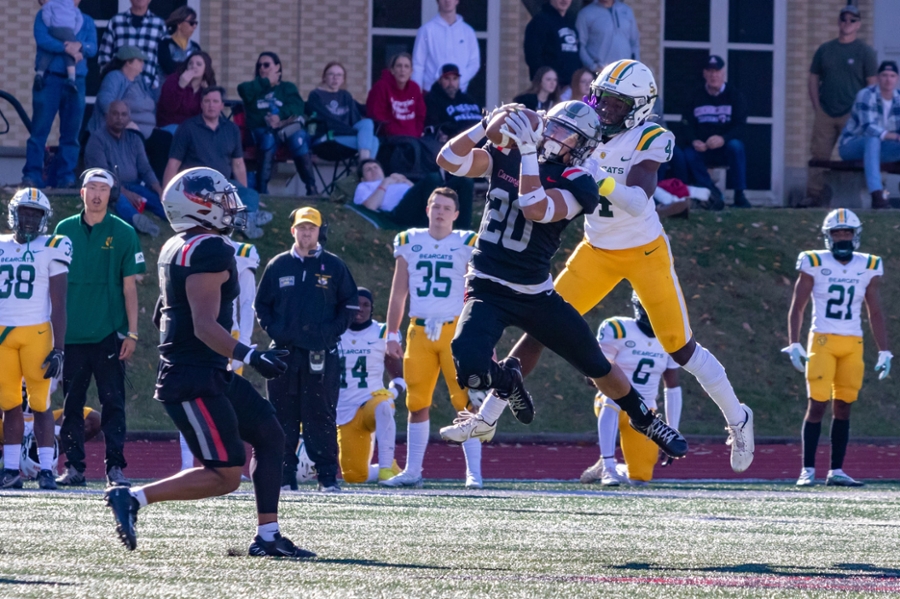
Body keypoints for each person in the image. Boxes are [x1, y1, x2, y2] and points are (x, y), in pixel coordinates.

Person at [486, 60, 753, 473]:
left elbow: (641, 198)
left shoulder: (652, 135)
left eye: (615, 102)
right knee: (540, 324)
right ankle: (488, 415)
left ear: (639, 106)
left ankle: (738, 417)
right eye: (601, 97)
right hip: (597, 248)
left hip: (645, 250)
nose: (604, 108)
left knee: (680, 349)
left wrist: (601, 178)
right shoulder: (583, 123)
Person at [435, 101, 687, 463]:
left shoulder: (579, 180)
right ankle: (508, 381)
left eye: (566, 135)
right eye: (553, 127)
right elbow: (449, 160)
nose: (554, 137)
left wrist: (525, 153)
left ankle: (645, 419)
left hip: (535, 295)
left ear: (583, 146)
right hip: (488, 286)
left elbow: (535, 206)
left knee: (596, 364)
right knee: (470, 367)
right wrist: (483, 125)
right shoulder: (509, 152)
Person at [104, 167, 313, 558]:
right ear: (196, 206)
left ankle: (268, 535)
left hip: (204, 370)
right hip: (192, 377)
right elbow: (202, 326)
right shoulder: (210, 249)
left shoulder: (176, 246)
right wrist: (252, 356)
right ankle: (132, 497)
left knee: (270, 434)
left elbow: (162, 314)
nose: (229, 206)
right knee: (225, 473)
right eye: (219, 199)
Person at [782, 209, 890, 488]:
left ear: (856, 235)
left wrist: (884, 350)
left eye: (847, 232)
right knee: (817, 404)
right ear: (827, 236)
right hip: (822, 341)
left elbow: (875, 311)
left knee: (844, 406)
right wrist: (794, 342)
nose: (842, 237)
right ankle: (807, 469)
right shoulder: (814, 261)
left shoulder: (869, 265)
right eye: (836, 232)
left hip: (853, 343)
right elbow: (798, 307)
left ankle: (836, 470)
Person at [380, 189, 480, 489]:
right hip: (419, 329)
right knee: (416, 402)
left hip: (455, 330)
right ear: (427, 209)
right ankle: (413, 470)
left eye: (446, 207)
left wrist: (480, 334)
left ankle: (473, 472)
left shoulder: (466, 242)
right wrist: (392, 333)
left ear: (456, 214)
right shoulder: (410, 241)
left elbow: (477, 292)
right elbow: (399, 292)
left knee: (466, 402)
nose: (440, 212)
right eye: (435, 206)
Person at [255, 207, 358, 493]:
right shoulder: (278, 265)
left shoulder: (334, 266)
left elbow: (350, 304)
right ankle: (285, 477)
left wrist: (330, 333)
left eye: (311, 228)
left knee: (320, 415)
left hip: (320, 355)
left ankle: (326, 477)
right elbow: (261, 305)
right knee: (282, 416)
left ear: (319, 231)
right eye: (301, 227)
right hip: (284, 355)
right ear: (293, 231)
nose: (306, 232)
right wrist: (276, 332)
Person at [54, 169, 145, 488]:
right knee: (71, 404)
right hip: (71, 333)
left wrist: (132, 333)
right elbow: (53, 285)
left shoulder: (123, 232)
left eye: (102, 188)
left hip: (109, 333)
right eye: (90, 188)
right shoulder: (63, 230)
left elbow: (130, 287)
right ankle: (74, 468)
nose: (96, 194)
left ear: (110, 194)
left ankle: (115, 468)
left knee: (113, 403)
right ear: (81, 193)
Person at [0, 189, 70, 490]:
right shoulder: (1, 245)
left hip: (37, 332)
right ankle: (11, 469)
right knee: (9, 404)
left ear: (44, 218)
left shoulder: (54, 245)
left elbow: (60, 302)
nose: (29, 219)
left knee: (41, 404)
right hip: (3, 333)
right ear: (14, 214)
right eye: (25, 212)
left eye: (35, 214)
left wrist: (59, 349)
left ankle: (46, 470)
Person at [580, 292, 682, 487]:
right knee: (612, 399)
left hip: (645, 414)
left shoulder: (669, 337)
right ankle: (608, 466)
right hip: (612, 401)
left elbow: (672, 387)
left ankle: (612, 467)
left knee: (640, 477)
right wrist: (611, 382)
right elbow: (593, 373)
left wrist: (672, 431)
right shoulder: (617, 328)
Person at [178, 236, 259, 472]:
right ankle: (187, 465)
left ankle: (226, 464)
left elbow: (247, 302)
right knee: (188, 399)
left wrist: (242, 342)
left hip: (226, 336)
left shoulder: (242, 251)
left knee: (226, 404)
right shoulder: (183, 247)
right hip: (190, 333)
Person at [163, 86, 271, 239]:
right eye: (207, 101)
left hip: (224, 184)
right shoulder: (187, 128)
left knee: (251, 194)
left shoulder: (232, 129)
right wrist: (166, 196)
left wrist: (243, 194)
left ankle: (245, 214)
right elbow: (173, 164)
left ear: (222, 105)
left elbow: (238, 164)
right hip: (196, 186)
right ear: (201, 104)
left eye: (215, 101)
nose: (211, 105)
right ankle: (248, 218)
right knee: (219, 201)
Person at [805, 5, 878, 207]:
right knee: (818, 155)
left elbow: (872, 85)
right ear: (838, 22)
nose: (848, 23)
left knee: (856, 155)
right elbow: (813, 78)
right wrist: (816, 105)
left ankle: (865, 195)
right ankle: (814, 195)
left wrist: (866, 113)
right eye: (844, 19)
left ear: (859, 25)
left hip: (852, 115)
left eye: (852, 20)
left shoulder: (865, 52)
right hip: (825, 112)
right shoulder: (825, 49)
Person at [23, 1, 96, 189]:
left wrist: (80, 46)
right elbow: (41, 39)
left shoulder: (86, 21)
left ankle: (67, 177)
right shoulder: (45, 15)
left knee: (71, 133)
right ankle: (32, 175)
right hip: (49, 80)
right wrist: (66, 47)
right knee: (39, 131)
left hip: (77, 81)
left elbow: (92, 47)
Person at [337, 288, 404, 484]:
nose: (360, 309)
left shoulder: (381, 332)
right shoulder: (335, 332)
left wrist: (391, 393)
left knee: (384, 406)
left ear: (372, 308)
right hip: (345, 408)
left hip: (371, 403)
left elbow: (400, 377)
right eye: (356, 304)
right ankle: (387, 469)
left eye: (366, 305)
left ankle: (385, 468)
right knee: (354, 476)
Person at [238, 52, 318, 196]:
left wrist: (279, 117)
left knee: (298, 137)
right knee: (268, 137)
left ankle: (311, 188)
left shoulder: (288, 88)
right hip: (261, 133)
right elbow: (242, 90)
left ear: (277, 67)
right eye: (259, 65)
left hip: (286, 131)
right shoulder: (253, 88)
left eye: (267, 65)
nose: (262, 68)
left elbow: (297, 107)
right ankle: (262, 190)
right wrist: (266, 82)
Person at [83, 100, 165, 237]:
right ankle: (139, 222)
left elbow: (145, 168)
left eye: (123, 114)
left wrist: (160, 190)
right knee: (118, 197)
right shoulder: (96, 139)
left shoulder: (135, 139)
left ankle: (176, 217)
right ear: (107, 116)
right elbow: (103, 174)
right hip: (106, 186)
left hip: (133, 185)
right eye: (115, 114)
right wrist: (127, 193)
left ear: (129, 118)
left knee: (156, 199)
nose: (119, 118)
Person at [682, 55, 750, 209]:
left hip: (724, 147)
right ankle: (712, 192)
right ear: (704, 74)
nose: (713, 75)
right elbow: (685, 123)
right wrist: (694, 140)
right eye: (709, 71)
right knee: (688, 153)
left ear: (723, 73)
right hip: (703, 148)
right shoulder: (695, 95)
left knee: (736, 146)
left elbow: (741, 125)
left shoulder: (735, 95)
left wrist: (723, 138)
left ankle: (740, 195)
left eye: (717, 71)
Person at [837, 61, 900, 209]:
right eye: (884, 75)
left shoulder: (898, 98)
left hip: (880, 149)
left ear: (897, 78)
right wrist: (895, 137)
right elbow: (868, 128)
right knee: (873, 138)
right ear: (878, 78)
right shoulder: (866, 95)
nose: (888, 79)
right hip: (851, 146)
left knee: (878, 142)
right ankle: (877, 195)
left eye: (892, 76)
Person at [353, 159, 471, 230]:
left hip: (419, 204)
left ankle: (464, 233)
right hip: (400, 212)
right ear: (362, 178)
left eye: (375, 167)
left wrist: (405, 181)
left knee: (465, 180)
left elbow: (418, 191)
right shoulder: (364, 186)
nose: (373, 170)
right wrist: (386, 182)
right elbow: (369, 207)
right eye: (368, 169)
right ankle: (433, 229)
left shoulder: (396, 180)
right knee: (432, 178)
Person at [305, 62, 379, 160]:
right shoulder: (316, 95)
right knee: (372, 141)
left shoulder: (345, 95)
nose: (335, 78)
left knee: (368, 124)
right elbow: (327, 121)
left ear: (343, 79)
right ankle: (364, 169)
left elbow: (357, 117)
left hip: (347, 137)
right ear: (324, 77)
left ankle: (364, 167)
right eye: (331, 74)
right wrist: (351, 132)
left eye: (339, 75)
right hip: (328, 140)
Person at [412, 0, 480, 94]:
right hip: (432, 93)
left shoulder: (468, 32)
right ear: (437, 1)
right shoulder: (426, 30)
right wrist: (416, 95)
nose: (447, 1)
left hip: (459, 93)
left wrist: (457, 81)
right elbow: (418, 65)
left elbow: (474, 63)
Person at [98, 0, 167, 88]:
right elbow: (104, 54)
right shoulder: (116, 21)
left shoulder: (159, 25)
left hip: (148, 86)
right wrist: (109, 79)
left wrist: (156, 82)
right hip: (119, 85)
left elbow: (164, 59)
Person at [366, 53, 426, 139]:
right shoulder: (381, 87)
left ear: (411, 71)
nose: (402, 70)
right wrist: (393, 133)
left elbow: (420, 114)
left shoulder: (414, 89)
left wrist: (416, 132)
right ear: (392, 70)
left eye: (406, 66)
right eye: (399, 66)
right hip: (390, 139)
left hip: (413, 139)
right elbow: (377, 116)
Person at [523, 0, 580, 87]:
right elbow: (533, 56)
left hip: (571, 86)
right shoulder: (539, 22)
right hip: (549, 87)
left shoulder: (571, 22)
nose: (564, 0)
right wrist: (546, 80)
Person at [157, 51, 216, 133]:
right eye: (190, 63)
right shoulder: (173, 80)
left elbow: (211, 115)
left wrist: (207, 94)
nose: (193, 66)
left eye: (198, 64)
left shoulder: (206, 86)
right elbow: (169, 108)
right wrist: (180, 86)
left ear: (206, 69)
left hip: (194, 129)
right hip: (170, 126)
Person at [576, 0, 640, 73]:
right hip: (599, 73)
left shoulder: (627, 10)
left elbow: (634, 42)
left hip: (624, 72)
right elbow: (580, 45)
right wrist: (593, 67)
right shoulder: (585, 13)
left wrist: (635, 65)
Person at [35, 0, 84, 92]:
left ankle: (39, 74)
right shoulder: (74, 8)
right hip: (68, 32)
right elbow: (79, 21)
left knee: (48, 52)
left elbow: (46, 14)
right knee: (70, 54)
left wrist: (50, 25)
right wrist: (73, 33)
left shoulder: (52, 4)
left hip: (54, 29)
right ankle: (72, 79)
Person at [425, 64, 483, 139]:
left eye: (455, 79)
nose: (451, 83)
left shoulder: (469, 99)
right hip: (457, 143)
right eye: (447, 78)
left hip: (481, 138)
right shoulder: (432, 100)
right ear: (439, 80)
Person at [157, 6, 201, 78]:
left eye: (196, 23)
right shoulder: (164, 44)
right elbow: (169, 68)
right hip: (168, 88)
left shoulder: (195, 47)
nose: (194, 26)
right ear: (179, 24)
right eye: (191, 23)